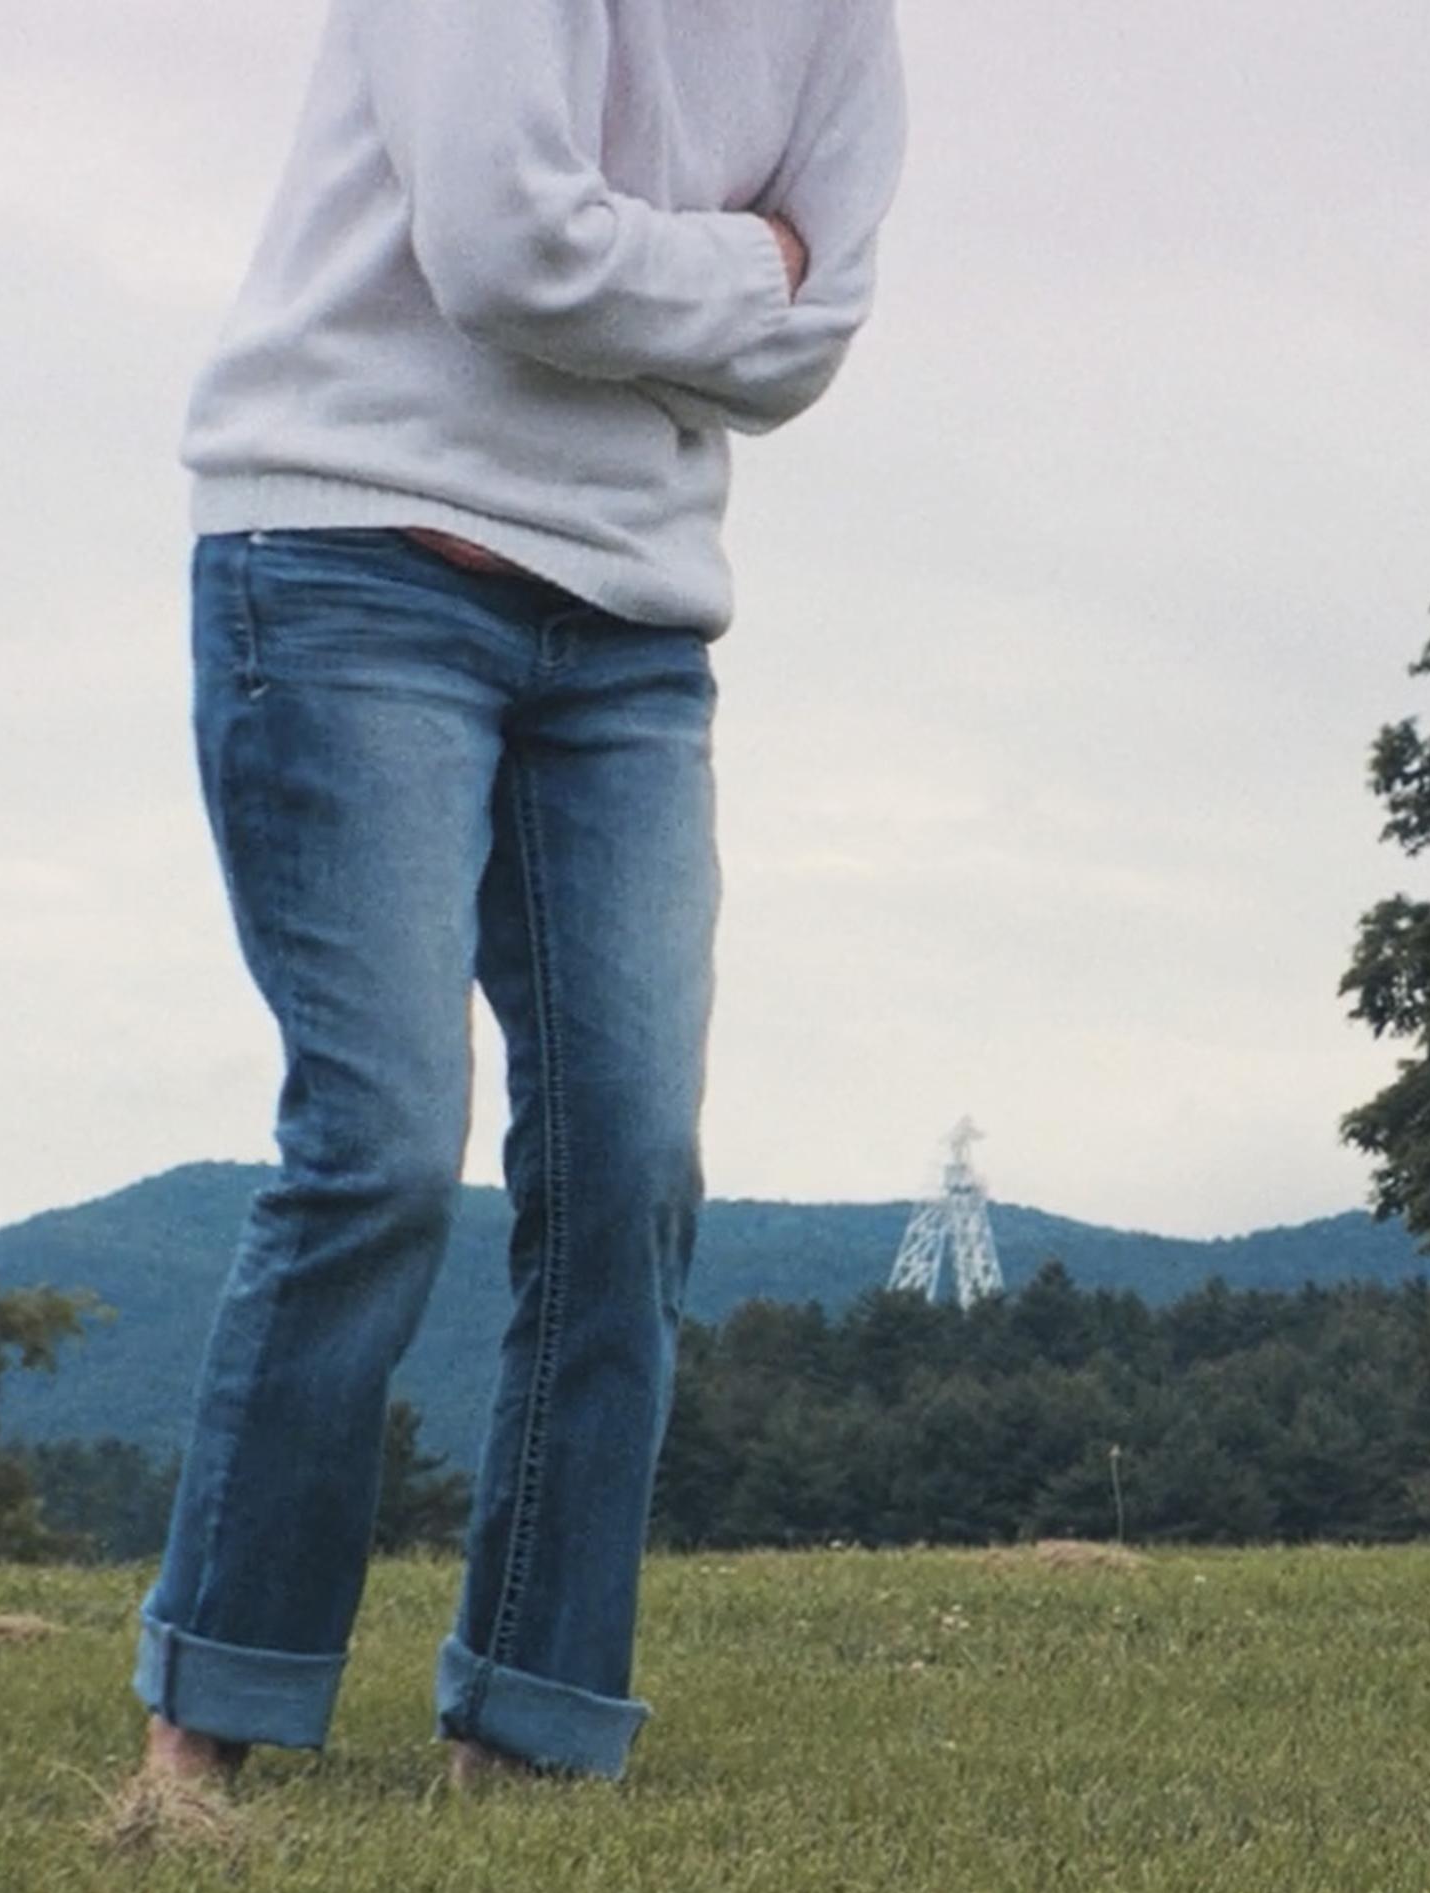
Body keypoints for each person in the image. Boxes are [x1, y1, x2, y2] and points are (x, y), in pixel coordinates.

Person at [134, 0, 907, 1790]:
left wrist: (678, 274)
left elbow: (817, 339)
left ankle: (536, 1733)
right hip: (343, 564)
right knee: (383, 1149)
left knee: (632, 1167)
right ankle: (210, 1729)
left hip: (634, 632)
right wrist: (742, 262)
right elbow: (502, 252)